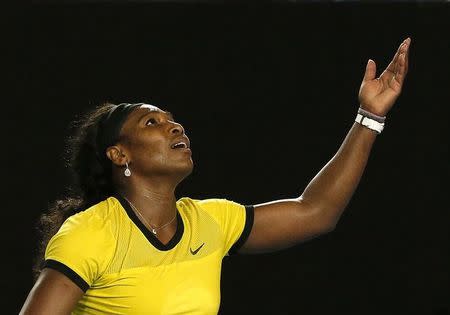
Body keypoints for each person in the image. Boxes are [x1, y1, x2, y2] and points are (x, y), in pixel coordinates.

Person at [20, 37, 410, 315]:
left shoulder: (210, 220)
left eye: (174, 121)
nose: (175, 128)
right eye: (152, 122)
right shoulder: (89, 235)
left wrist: (370, 118)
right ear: (119, 154)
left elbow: (316, 211)